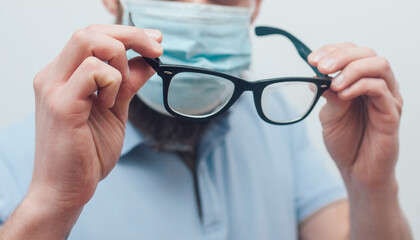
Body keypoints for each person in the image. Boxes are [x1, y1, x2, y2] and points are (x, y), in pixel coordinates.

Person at [0, 0, 412, 239]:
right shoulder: (18, 164)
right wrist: (54, 202)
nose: (197, 9)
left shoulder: (278, 122)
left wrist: (370, 187)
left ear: (255, 6)